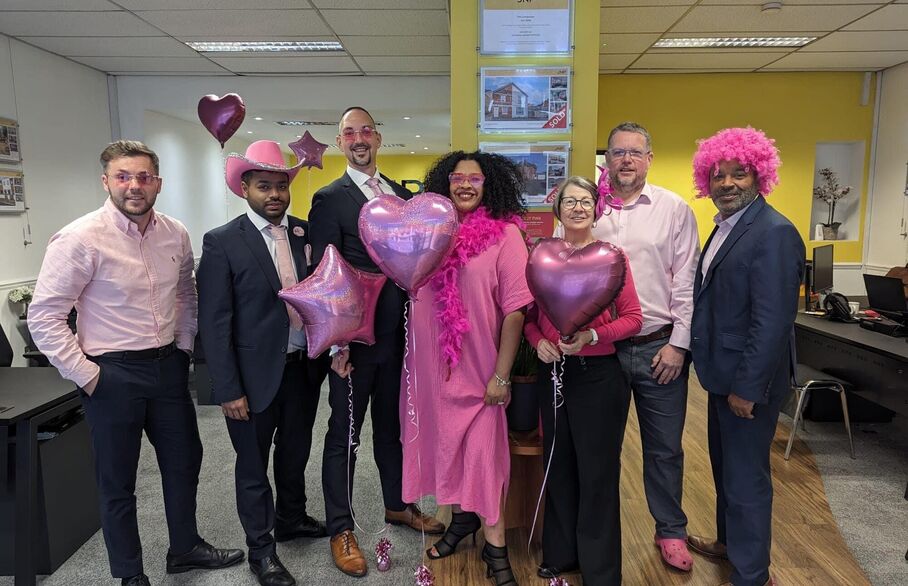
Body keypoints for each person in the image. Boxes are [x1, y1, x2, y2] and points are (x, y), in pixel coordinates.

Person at [28, 140, 243, 586]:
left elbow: (185, 294)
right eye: (123, 177)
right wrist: (88, 375)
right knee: (118, 482)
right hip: (112, 374)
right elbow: (44, 317)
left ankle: (184, 548)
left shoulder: (175, 233)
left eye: (143, 177)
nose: (134, 186)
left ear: (158, 183)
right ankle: (130, 574)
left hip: (167, 368)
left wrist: (183, 346)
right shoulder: (79, 239)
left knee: (185, 462)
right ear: (106, 181)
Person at [558, 122, 700, 571]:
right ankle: (597, 541)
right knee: (600, 451)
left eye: (634, 153)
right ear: (608, 159)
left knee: (664, 448)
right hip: (601, 354)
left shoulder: (673, 210)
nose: (625, 160)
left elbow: (686, 285)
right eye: (617, 152)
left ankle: (670, 530)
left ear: (648, 159)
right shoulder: (589, 212)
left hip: (659, 349)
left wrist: (679, 345)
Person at [310, 106, 444, 578]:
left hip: (400, 339)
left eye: (365, 131)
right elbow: (326, 275)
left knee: (392, 429)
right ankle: (341, 527)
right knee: (344, 436)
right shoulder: (330, 199)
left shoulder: (398, 194)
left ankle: (398, 504)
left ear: (379, 138)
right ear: (340, 141)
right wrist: (335, 344)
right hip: (354, 344)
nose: (359, 139)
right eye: (349, 133)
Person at [394, 150, 533, 586]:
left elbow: (515, 312)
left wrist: (502, 375)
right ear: (445, 183)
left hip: (480, 375)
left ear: (489, 184)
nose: (466, 185)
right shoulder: (428, 234)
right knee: (445, 452)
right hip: (430, 373)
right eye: (457, 178)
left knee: (485, 461)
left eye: (475, 178)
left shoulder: (506, 237)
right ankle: (459, 523)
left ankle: (496, 551)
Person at [196, 140, 327, 586]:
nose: (274, 194)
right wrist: (227, 388)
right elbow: (214, 324)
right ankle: (262, 550)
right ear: (244, 188)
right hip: (250, 380)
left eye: (281, 186)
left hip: (301, 369)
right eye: (264, 186)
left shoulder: (303, 233)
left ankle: (291, 518)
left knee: (294, 453)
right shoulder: (222, 242)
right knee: (252, 465)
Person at [687, 127, 805, 586]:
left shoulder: (773, 233)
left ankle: (752, 573)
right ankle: (729, 544)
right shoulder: (724, 227)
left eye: (739, 174)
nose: (727, 183)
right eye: (718, 175)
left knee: (747, 479)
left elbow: (773, 322)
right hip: (722, 375)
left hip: (746, 384)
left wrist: (747, 388)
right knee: (725, 469)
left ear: (760, 175)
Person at [526, 176, 643, 585]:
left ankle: (600, 568)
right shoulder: (540, 255)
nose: (577, 207)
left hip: (599, 380)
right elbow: (529, 319)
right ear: (557, 209)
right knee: (558, 465)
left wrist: (594, 335)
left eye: (585, 201)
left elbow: (634, 319)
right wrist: (540, 341)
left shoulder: (613, 258)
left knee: (597, 473)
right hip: (555, 376)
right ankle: (562, 554)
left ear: (597, 208)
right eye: (569, 201)